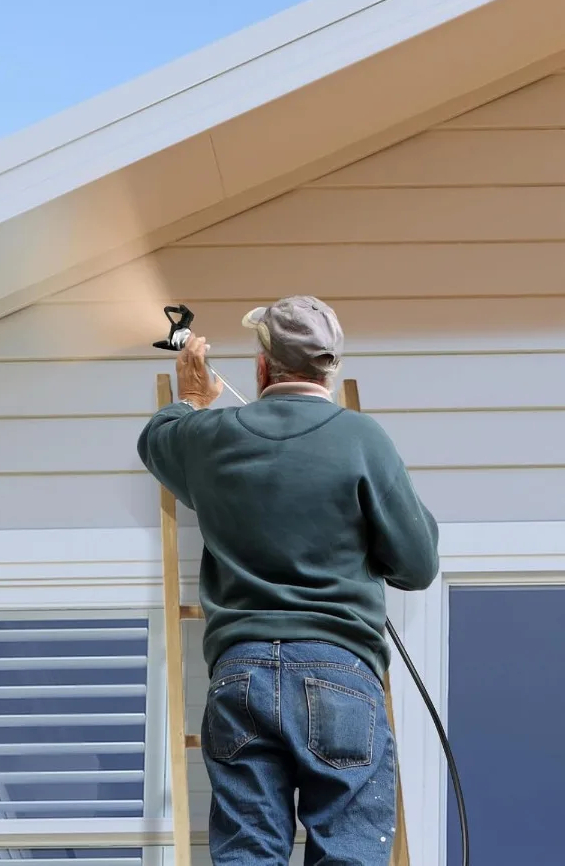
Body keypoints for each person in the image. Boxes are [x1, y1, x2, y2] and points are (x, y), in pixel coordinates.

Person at [137, 295, 439, 866]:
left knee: (250, 854)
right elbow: (418, 565)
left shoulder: (214, 437)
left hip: (240, 674)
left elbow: (158, 439)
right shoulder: (363, 440)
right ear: (331, 367)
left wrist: (193, 401)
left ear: (261, 366)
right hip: (341, 673)